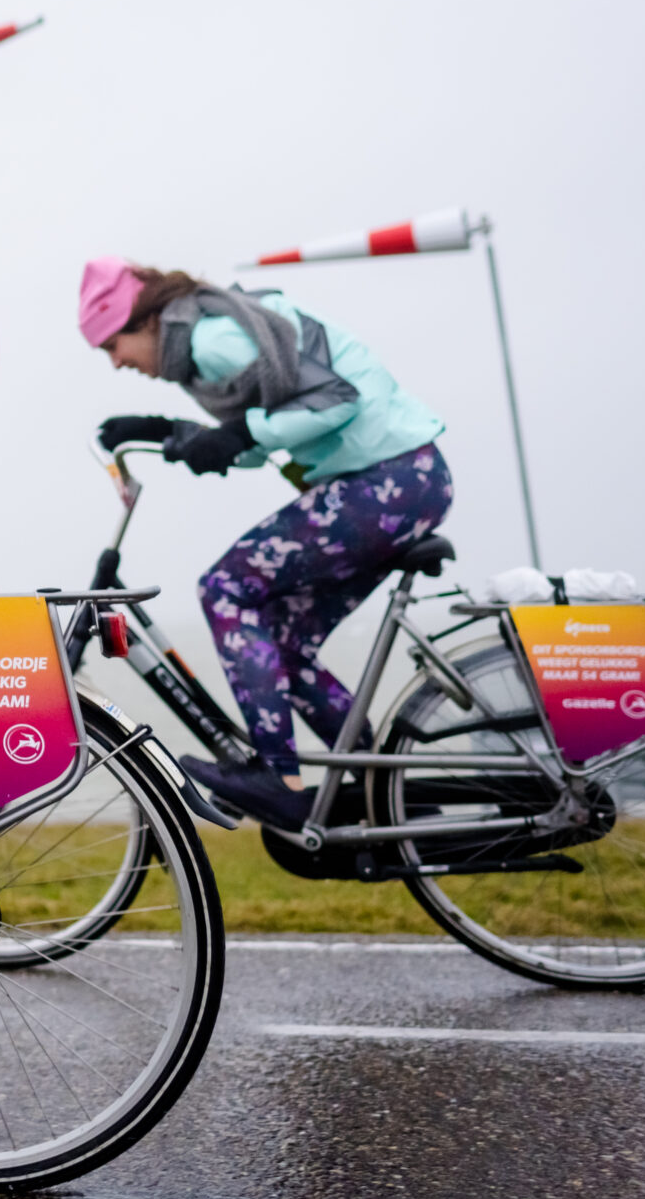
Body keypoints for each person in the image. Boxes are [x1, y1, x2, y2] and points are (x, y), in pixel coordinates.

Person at [80, 258, 452, 831]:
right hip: (408, 479)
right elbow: (274, 423)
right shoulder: (202, 334)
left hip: (387, 480)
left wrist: (237, 433)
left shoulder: (211, 339)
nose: (115, 362)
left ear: (147, 321)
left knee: (224, 589)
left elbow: (337, 399)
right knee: (284, 644)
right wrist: (174, 433)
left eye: (113, 344)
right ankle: (385, 794)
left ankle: (279, 779)